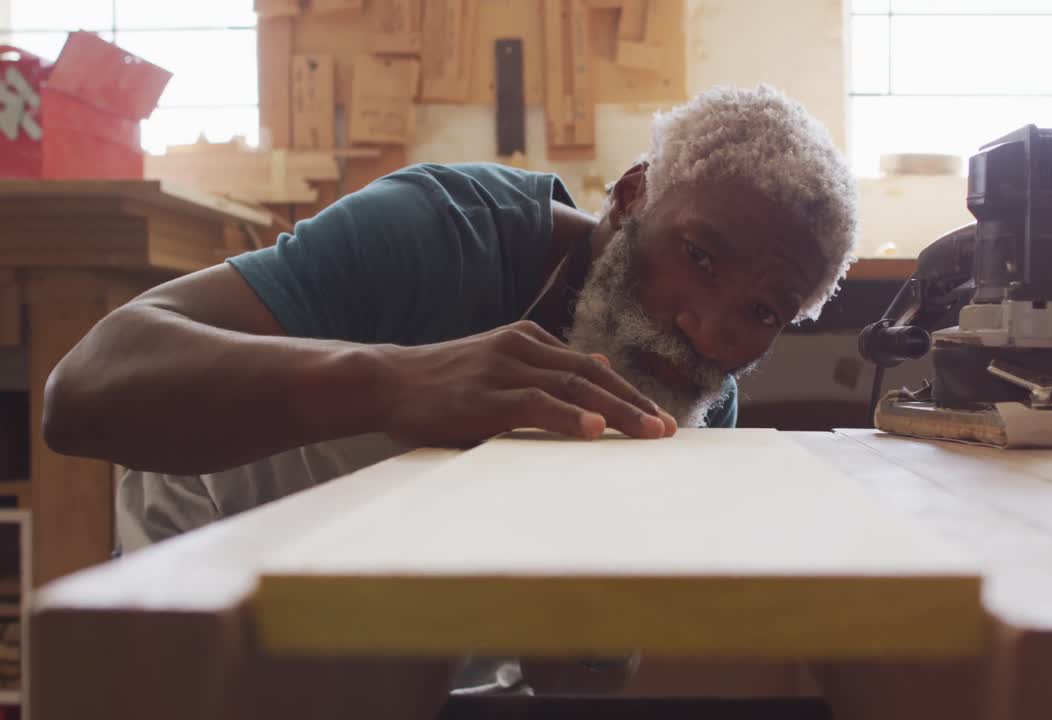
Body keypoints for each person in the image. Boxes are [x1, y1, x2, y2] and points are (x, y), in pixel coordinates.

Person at [41, 83, 858, 694]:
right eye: (700, 257)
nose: (707, 331)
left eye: (762, 310)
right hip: (190, 613)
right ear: (632, 194)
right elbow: (84, 390)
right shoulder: (443, 232)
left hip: (397, 664)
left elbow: (577, 678)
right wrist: (396, 381)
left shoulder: (690, 405)